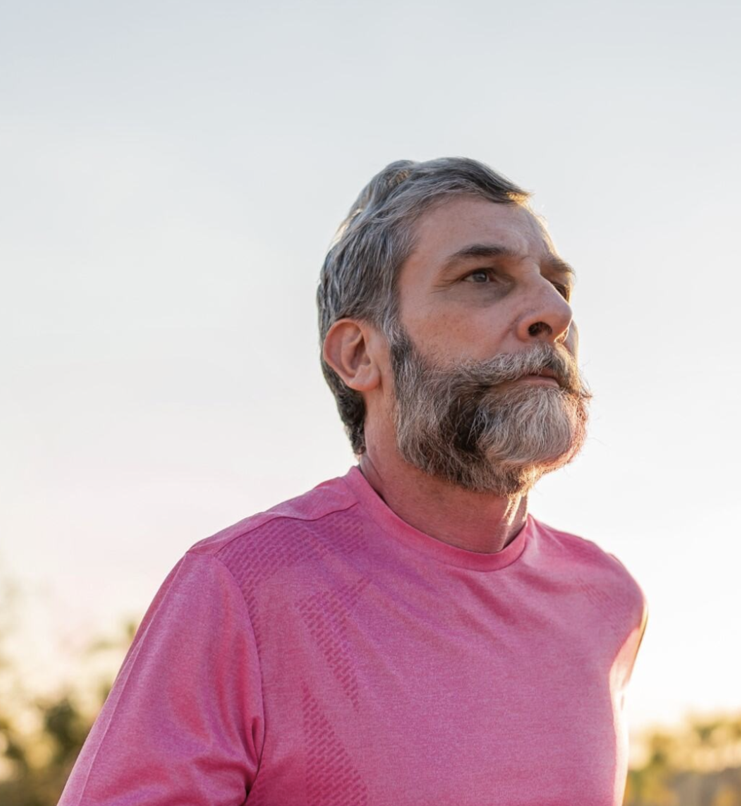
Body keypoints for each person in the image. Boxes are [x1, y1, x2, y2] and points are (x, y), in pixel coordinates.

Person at [58, 157, 647, 806]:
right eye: (483, 276)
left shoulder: (608, 602)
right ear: (361, 355)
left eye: (556, 285)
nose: (553, 313)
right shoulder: (240, 588)